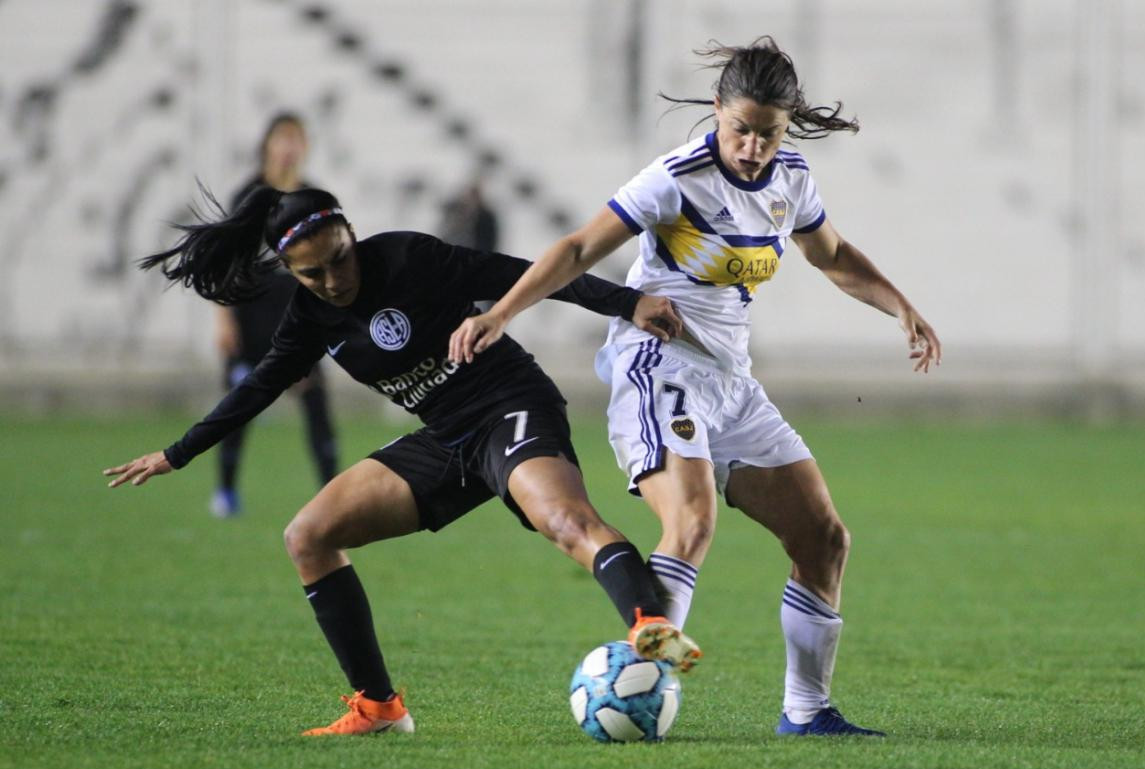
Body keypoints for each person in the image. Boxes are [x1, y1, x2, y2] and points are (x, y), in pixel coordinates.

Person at [449, 37, 942, 737]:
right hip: (658, 366)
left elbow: (831, 254)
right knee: (692, 523)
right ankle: (645, 692)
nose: (752, 147)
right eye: (740, 128)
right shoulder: (676, 178)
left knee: (824, 538)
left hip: (731, 383)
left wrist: (902, 308)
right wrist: (502, 313)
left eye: (768, 133)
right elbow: (578, 249)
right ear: (716, 111)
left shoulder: (790, 179)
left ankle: (806, 712)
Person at [103, 185, 700, 736]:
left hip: (509, 404)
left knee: (565, 521)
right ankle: (379, 708)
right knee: (308, 536)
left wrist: (627, 304)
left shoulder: (409, 258)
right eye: (312, 273)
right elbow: (256, 389)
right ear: (290, 270)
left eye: (340, 257)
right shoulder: (309, 317)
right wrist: (176, 455)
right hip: (445, 437)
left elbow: (523, 275)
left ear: (350, 233)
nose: (334, 279)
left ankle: (653, 629)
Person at [210, 112, 338, 517]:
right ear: (267, 145)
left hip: (298, 318)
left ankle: (332, 496)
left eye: (296, 139)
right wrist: (223, 318)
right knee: (237, 408)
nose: (289, 148)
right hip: (250, 317)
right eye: (282, 139)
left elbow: (335, 262)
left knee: (316, 405)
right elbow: (224, 262)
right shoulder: (247, 197)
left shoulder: (315, 199)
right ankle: (226, 493)